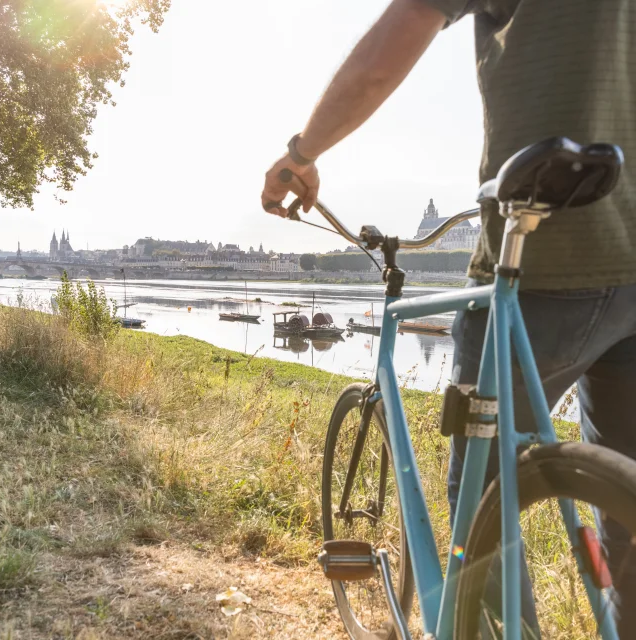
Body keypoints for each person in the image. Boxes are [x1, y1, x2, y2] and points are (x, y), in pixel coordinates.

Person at [261, 0, 636, 635]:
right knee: (624, 514)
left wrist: (303, 152)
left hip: (552, 257)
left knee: (484, 495)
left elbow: (397, 38)